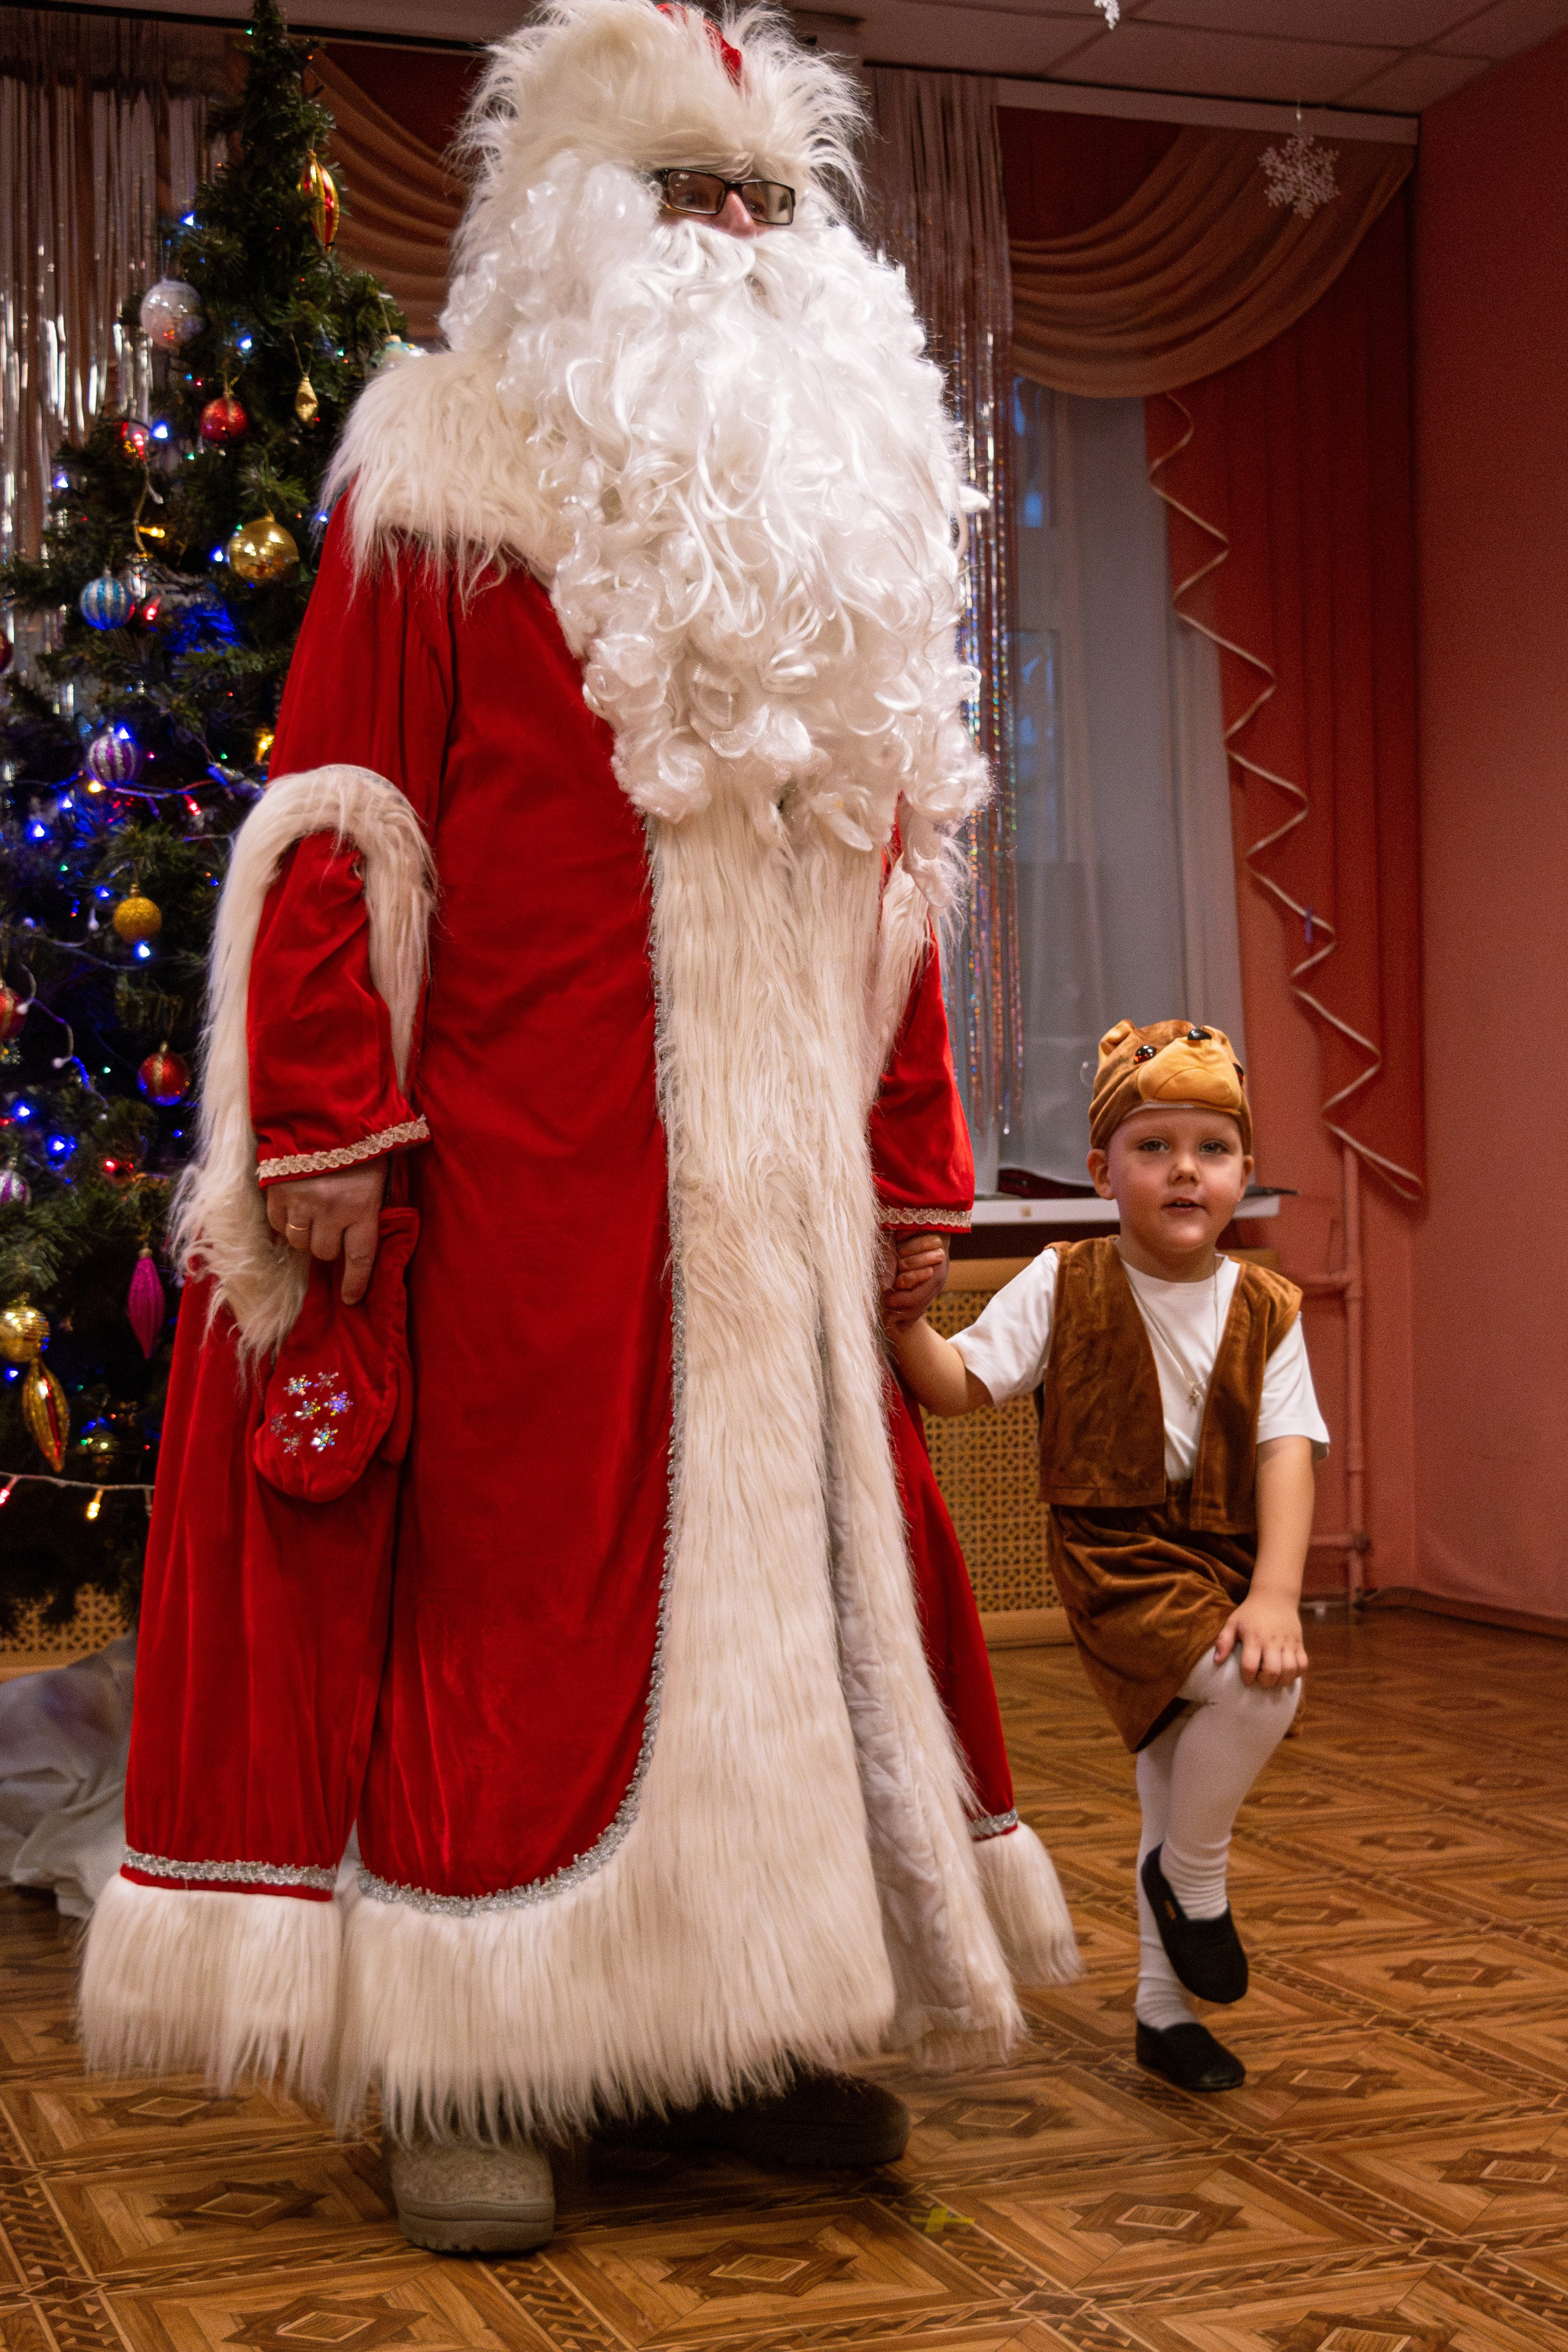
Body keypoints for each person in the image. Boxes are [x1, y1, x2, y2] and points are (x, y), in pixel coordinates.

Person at [80, 0, 1077, 2257]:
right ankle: (485, 2048)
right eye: (686, 198)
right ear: (563, 229)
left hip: (793, 1215)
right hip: (537, 1178)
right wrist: (325, 1120)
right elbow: (335, 810)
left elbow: (892, 862)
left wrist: (916, 1163)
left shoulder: (844, 521)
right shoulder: (444, 471)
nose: (736, 241)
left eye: (769, 201)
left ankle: (744, 2026)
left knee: (798, 1611)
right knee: (528, 1606)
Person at [888, 1017, 1327, 2094]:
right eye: (1153, 1147)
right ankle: (1197, 1883)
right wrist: (903, 1320)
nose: (1186, 1170)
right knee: (1254, 1691)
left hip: (1221, 1556)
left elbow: (1286, 1452)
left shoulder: (1266, 1305)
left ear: (1244, 1175)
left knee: (1175, 1771)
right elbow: (957, 1385)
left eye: (1212, 1150)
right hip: (1117, 1559)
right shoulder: (1063, 1278)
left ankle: (1161, 2014)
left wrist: (1274, 1589)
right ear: (1101, 1170)